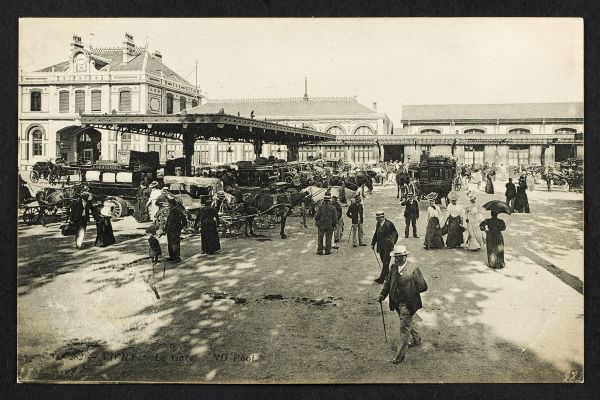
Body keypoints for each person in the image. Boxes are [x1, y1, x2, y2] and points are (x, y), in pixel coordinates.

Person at [377, 245, 428, 364]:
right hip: (396, 302)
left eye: (400, 257)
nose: (397, 260)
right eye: (396, 257)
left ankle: (400, 356)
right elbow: (388, 283)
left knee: (404, 328)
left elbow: (423, 286)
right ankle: (417, 338)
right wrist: (382, 295)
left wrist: (411, 292)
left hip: (408, 304)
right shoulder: (393, 267)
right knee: (407, 321)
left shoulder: (414, 269)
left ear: (405, 256)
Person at [371, 211, 399, 284]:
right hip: (380, 247)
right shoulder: (378, 224)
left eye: (379, 218)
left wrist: (392, 242)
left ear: (383, 217)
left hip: (388, 248)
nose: (378, 219)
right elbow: (376, 234)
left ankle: (381, 279)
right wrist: (373, 243)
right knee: (384, 262)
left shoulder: (389, 224)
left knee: (386, 263)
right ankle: (389, 277)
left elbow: (395, 233)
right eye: (377, 218)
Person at [164, 196, 187, 262]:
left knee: (175, 244)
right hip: (170, 229)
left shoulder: (177, 210)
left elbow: (184, 219)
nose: (168, 205)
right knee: (170, 243)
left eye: (168, 203)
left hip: (175, 230)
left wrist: (180, 227)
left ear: (171, 204)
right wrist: (166, 228)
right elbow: (168, 220)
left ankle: (177, 257)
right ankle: (172, 256)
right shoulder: (172, 210)